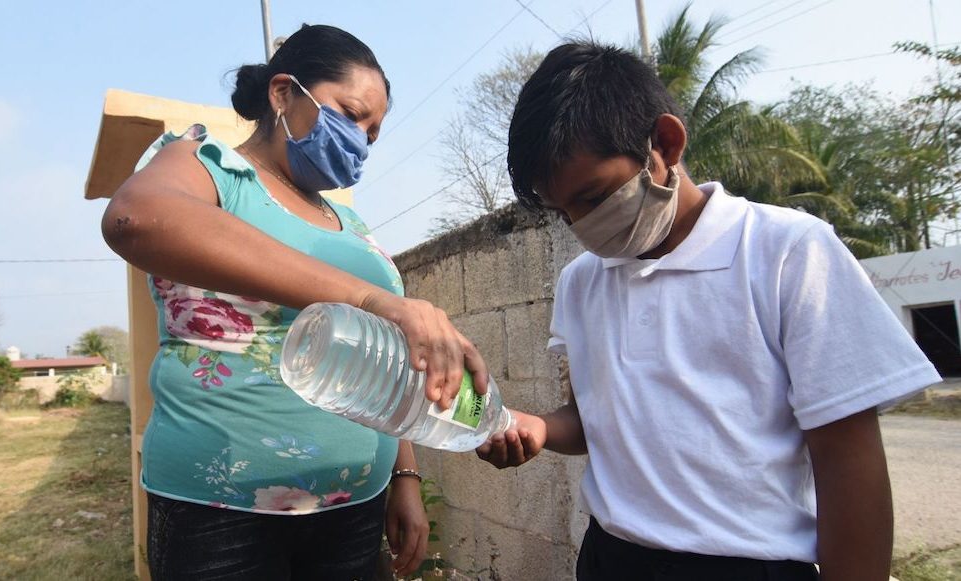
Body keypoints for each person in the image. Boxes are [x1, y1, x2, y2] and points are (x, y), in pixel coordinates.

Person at [477, 41, 941, 581]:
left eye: (595, 197)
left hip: (748, 565)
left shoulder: (786, 251)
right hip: (612, 557)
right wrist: (536, 427)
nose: (582, 226)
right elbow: (592, 418)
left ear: (666, 144)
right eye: (563, 213)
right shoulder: (582, 281)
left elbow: (848, 460)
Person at [101, 24, 488, 581]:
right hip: (223, 513)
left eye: (373, 134)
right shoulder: (209, 168)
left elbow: (384, 364)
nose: (360, 140)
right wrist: (368, 297)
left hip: (353, 508)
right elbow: (133, 219)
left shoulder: (348, 224)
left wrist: (404, 477)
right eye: (351, 114)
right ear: (283, 93)